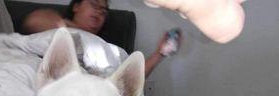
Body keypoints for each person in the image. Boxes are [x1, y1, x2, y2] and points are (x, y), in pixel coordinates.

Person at [22, 0, 180, 78]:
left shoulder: (105, 49)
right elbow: (33, 21)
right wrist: (71, 30)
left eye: (103, 12)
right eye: (94, 4)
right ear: (76, 6)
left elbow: (131, 76)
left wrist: (160, 53)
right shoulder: (54, 24)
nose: (99, 13)